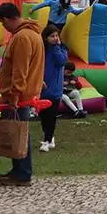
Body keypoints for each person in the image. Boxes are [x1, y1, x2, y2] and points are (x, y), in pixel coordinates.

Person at [0, 2, 45, 187]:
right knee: (18, 131)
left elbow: (20, 69)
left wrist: (14, 94)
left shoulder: (22, 37)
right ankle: (18, 168)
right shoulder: (32, 33)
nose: (4, 27)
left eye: (2, 23)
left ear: (7, 19)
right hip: (24, 91)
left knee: (19, 133)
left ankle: (23, 172)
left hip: (19, 95)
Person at [38, 24, 69, 152]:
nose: (55, 38)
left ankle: (47, 140)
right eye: (52, 36)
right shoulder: (41, 50)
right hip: (42, 87)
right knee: (43, 116)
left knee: (51, 116)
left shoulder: (61, 49)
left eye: (56, 35)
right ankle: (49, 137)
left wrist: (57, 47)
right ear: (45, 38)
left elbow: (62, 61)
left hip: (55, 88)